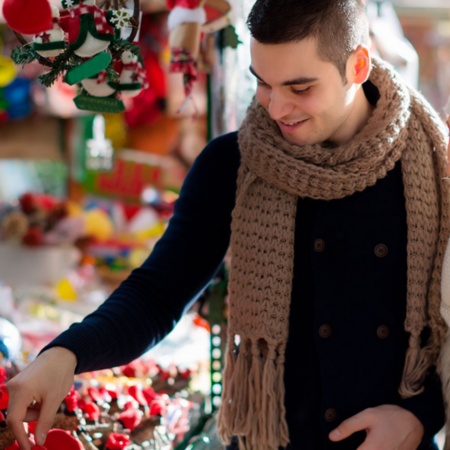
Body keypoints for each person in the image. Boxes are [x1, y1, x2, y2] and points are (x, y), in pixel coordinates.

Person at [6, 0, 450, 449]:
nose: (277, 109)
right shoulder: (231, 163)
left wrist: (419, 415)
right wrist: (67, 352)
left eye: (300, 87)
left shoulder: (434, 167)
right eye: (263, 84)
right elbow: (158, 294)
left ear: (357, 65)